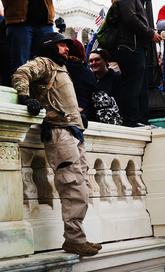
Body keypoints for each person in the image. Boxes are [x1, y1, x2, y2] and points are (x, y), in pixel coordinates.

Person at [13, 33, 102, 257]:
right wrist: (25, 97)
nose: (65, 49)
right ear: (50, 47)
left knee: (80, 186)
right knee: (72, 185)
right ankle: (74, 240)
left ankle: (77, 238)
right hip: (59, 133)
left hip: (72, 132)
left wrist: (78, 119)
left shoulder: (59, 68)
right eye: (61, 45)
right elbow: (21, 74)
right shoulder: (44, 63)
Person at [112, 0, 161, 127]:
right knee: (133, 86)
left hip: (134, 46)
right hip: (129, 47)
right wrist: (149, 33)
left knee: (139, 86)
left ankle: (140, 120)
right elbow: (130, 18)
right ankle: (131, 121)